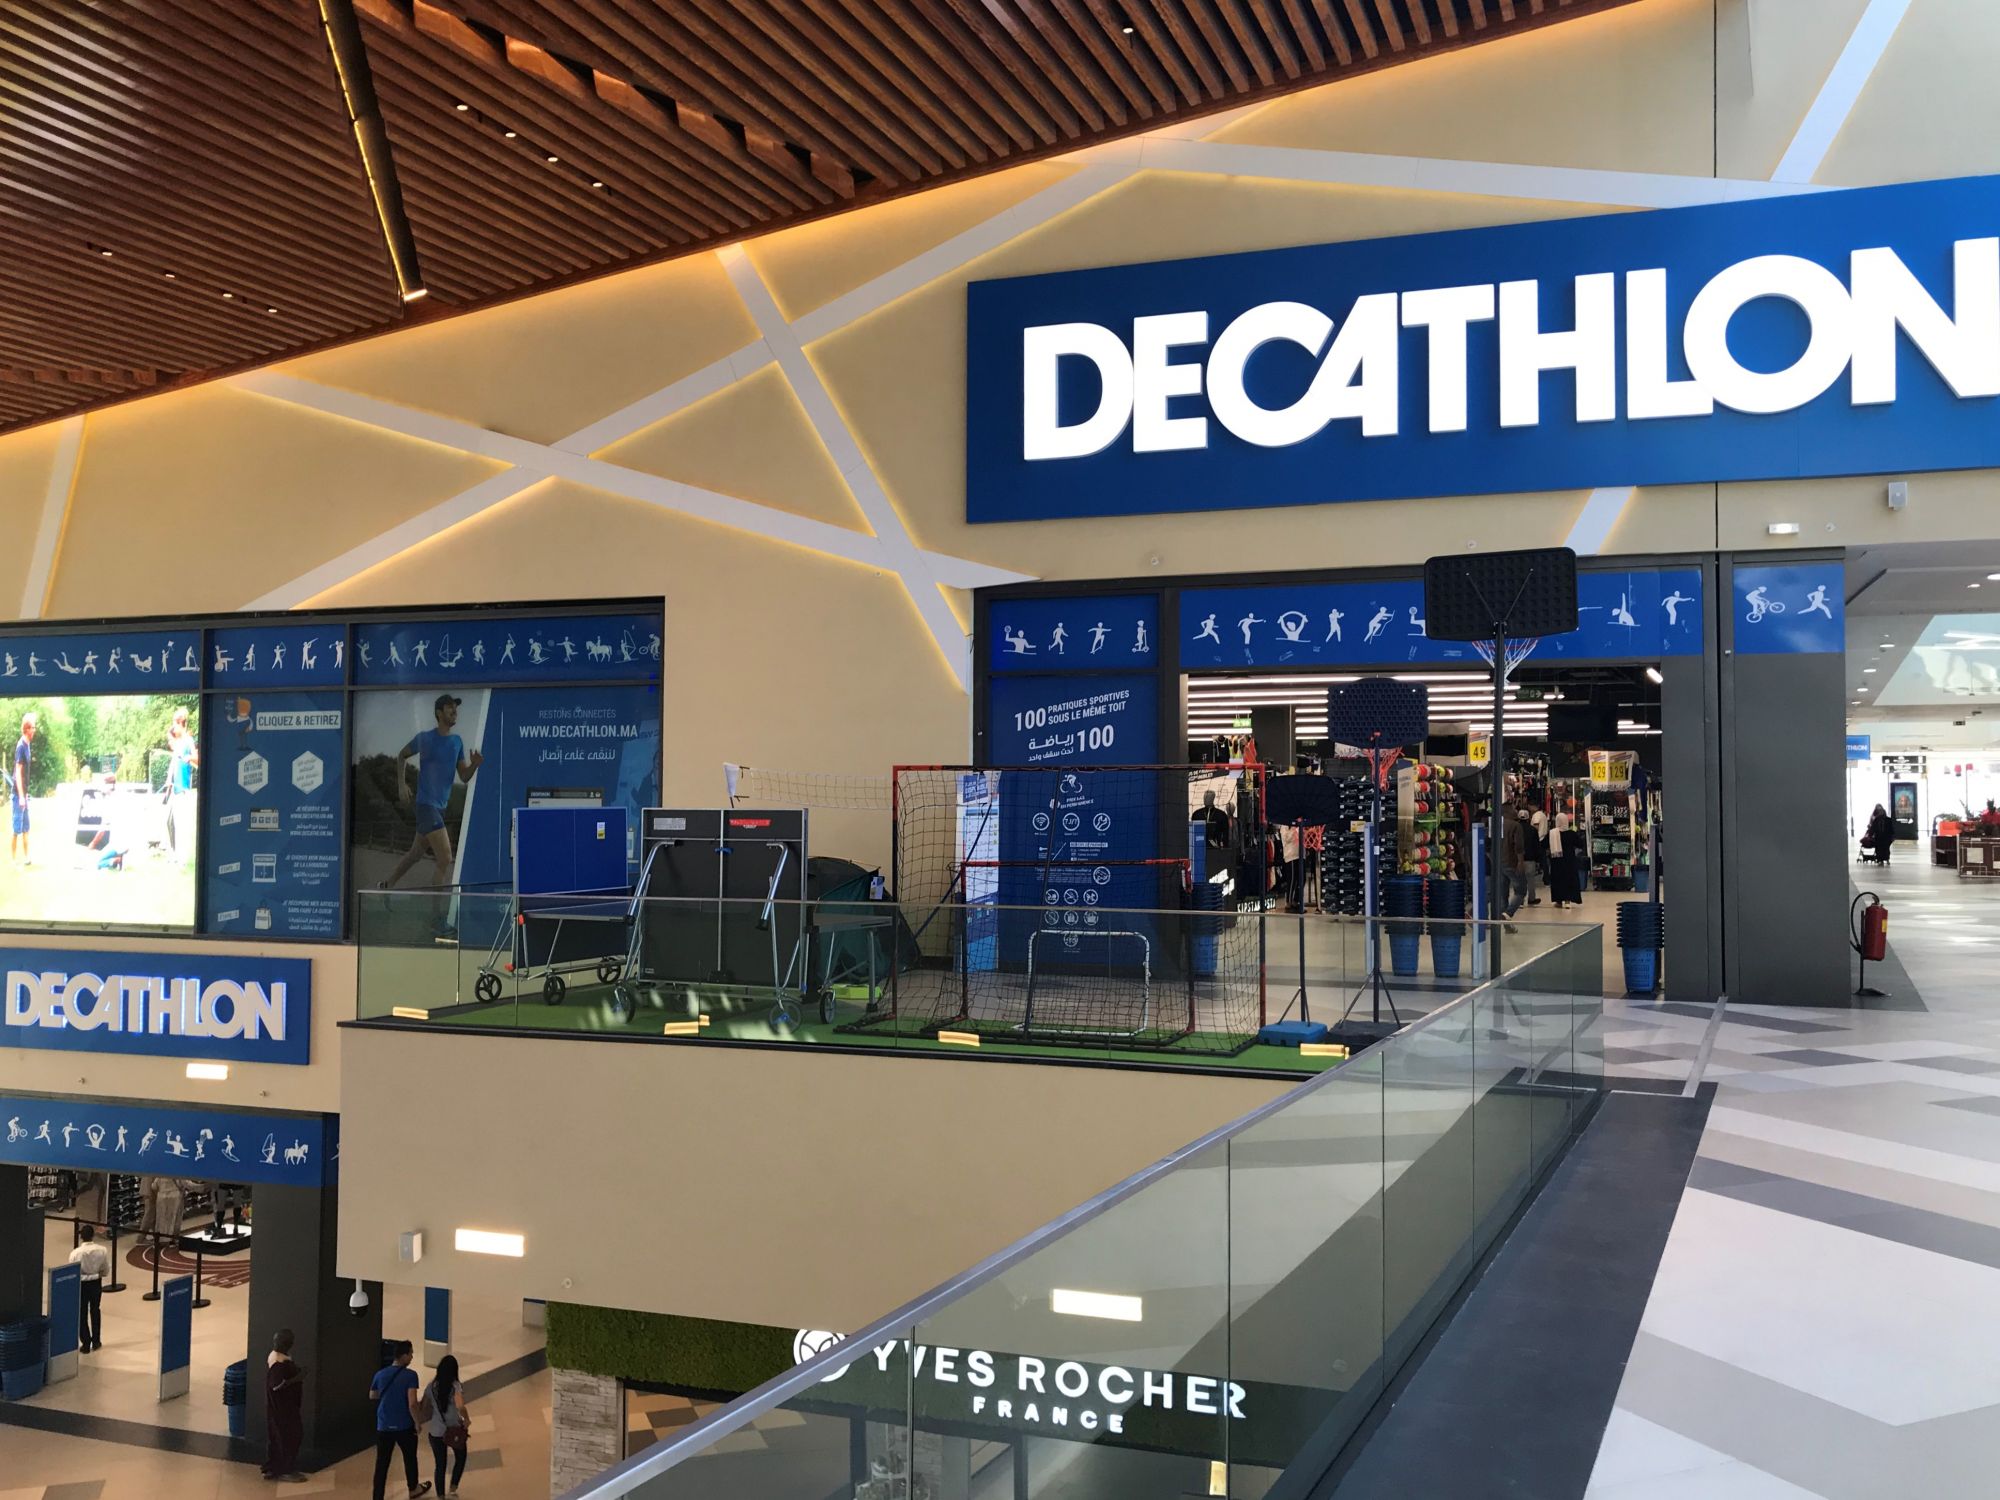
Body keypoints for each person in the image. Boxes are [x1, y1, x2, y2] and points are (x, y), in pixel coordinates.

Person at [382, 696, 483, 917]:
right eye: (450, 708)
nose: (454, 711)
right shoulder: (425, 738)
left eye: (456, 708)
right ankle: (436, 918)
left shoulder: (457, 742)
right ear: (439, 712)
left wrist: (474, 765)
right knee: (445, 858)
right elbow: (401, 756)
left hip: (440, 808)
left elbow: (464, 776)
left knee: (415, 854)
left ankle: (386, 886)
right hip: (426, 805)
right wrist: (401, 785)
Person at [369, 1340, 432, 1500]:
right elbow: (412, 1403)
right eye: (410, 1354)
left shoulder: (380, 1374)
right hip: (404, 1426)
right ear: (403, 1356)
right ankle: (413, 1489)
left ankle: (377, 1496)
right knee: (410, 1458)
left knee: (382, 1463)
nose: (412, 1357)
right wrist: (417, 1422)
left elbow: (373, 1395)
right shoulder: (410, 1376)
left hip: (384, 1425)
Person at [421, 1354, 470, 1498]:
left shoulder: (431, 1387)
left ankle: (440, 1496)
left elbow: (424, 1406)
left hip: (436, 1431)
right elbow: (460, 1406)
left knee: (440, 1465)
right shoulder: (455, 1386)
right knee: (461, 1457)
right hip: (454, 1430)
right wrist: (466, 1419)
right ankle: (453, 1487)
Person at [263, 1328, 308, 1482]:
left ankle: (279, 1467)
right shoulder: (278, 1363)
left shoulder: (280, 1358)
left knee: (283, 1436)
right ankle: (284, 1469)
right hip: (282, 1409)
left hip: (284, 1407)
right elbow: (276, 1385)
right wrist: (298, 1377)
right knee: (288, 1436)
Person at [67, 1223, 110, 1352]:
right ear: (93, 1235)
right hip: (96, 1283)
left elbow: (73, 1271)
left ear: (81, 1237)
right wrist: (97, 1275)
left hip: (82, 1284)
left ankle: (85, 1343)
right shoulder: (102, 1250)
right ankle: (96, 1341)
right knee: (95, 1310)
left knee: (82, 1312)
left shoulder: (75, 1253)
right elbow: (105, 1269)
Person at [1501, 799, 1532, 925]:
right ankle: (1508, 913)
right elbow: (1518, 846)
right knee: (1521, 890)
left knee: (1503, 892)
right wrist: (1520, 862)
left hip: (1499, 863)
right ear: (1508, 811)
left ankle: (1502, 917)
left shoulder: (1495, 824)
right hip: (1512, 862)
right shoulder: (1515, 825)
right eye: (1514, 809)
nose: (1516, 811)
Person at [1549, 810, 1584, 909]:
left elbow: (1543, 844)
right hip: (1569, 861)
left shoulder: (1552, 833)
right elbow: (1580, 844)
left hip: (1556, 861)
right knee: (1569, 880)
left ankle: (1559, 901)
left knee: (1558, 880)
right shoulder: (1571, 834)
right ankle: (1568, 901)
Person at [10, 711, 33, 865]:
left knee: (25, 828)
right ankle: (13, 860)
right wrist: (21, 797)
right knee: (16, 829)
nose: (35, 730)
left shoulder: (28, 744)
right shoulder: (21, 746)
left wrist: (25, 795)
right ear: (27, 729)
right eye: (33, 727)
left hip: (24, 794)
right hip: (18, 795)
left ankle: (26, 858)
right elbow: (17, 772)